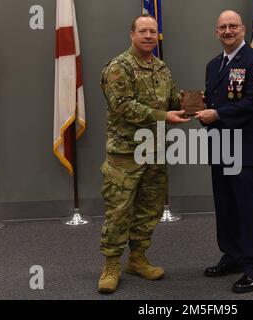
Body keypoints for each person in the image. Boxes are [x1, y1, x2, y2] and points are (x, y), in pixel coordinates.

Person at [98, 14, 189, 294]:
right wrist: (164, 115)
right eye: (143, 31)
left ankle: (137, 258)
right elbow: (123, 106)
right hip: (126, 153)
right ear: (132, 35)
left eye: (152, 31)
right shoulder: (118, 67)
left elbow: (172, 99)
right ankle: (111, 264)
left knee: (150, 208)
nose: (148, 36)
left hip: (155, 151)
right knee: (119, 210)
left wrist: (195, 103)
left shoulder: (161, 68)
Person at [195, 10, 253, 293]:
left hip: (246, 148)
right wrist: (202, 105)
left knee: (250, 209)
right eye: (222, 27)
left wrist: (217, 113)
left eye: (233, 26)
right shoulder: (213, 65)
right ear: (216, 32)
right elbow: (216, 97)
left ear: (242, 30)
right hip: (221, 147)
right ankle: (233, 255)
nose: (228, 31)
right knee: (226, 206)